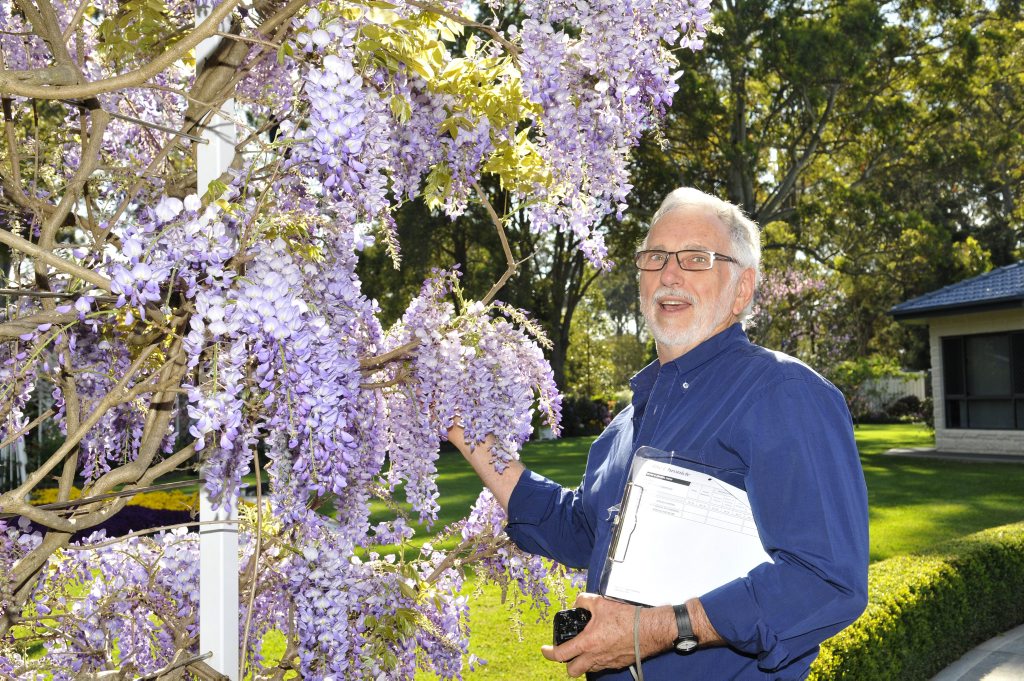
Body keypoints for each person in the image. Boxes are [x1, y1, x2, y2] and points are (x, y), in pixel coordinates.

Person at [448, 187, 869, 680]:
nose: (670, 274)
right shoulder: (625, 427)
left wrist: (656, 629)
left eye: (696, 258)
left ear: (742, 289)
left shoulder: (782, 393)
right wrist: (466, 431)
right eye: (655, 257)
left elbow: (825, 581)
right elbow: (580, 529)